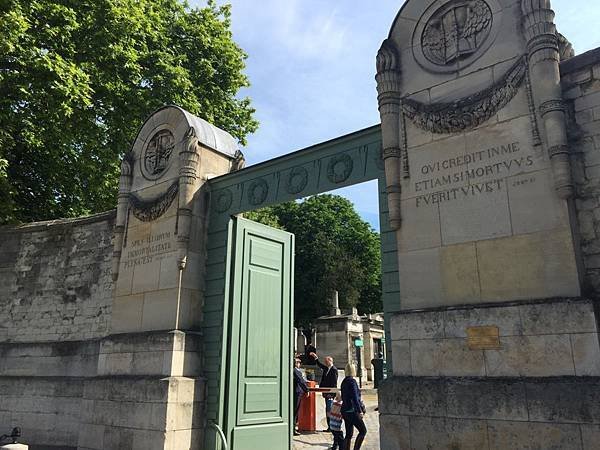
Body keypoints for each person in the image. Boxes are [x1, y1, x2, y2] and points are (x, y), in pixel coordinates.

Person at [310, 352, 338, 431]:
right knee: (327, 409)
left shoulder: (334, 370)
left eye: (326, 361)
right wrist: (316, 358)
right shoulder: (326, 368)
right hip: (326, 392)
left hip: (330, 394)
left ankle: (331, 427)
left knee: (329, 410)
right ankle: (329, 426)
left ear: (330, 361)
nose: (325, 363)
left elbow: (334, 383)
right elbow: (319, 365)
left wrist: (332, 394)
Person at [341, 363, 367, 450]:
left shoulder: (343, 381)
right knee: (363, 431)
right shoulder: (352, 382)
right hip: (352, 411)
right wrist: (360, 411)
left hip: (345, 410)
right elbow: (355, 398)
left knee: (349, 434)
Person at [293, 357, 309, 436]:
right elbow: (301, 381)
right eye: (299, 362)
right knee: (295, 411)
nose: (300, 364)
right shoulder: (296, 371)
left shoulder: (294, 371)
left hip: (296, 392)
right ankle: (293, 429)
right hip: (297, 393)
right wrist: (307, 390)